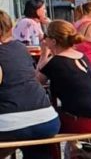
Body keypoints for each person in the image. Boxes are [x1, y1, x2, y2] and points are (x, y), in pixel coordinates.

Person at [0, 10, 60, 159]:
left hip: (11, 123)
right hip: (47, 119)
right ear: (11, 28)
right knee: (36, 149)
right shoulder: (21, 48)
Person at [37, 20, 91, 133]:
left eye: (46, 36)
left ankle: (50, 151)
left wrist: (44, 54)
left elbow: (37, 81)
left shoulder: (56, 62)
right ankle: (74, 149)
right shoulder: (82, 57)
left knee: (43, 123)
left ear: (53, 41)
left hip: (83, 121)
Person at [13, 0, 52, 65]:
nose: (45, 11)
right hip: (26, 57)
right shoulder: (29, 22)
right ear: (37, 10)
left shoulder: (34, 22)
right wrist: (50, 25)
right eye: (43, 9)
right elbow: (40, 41)